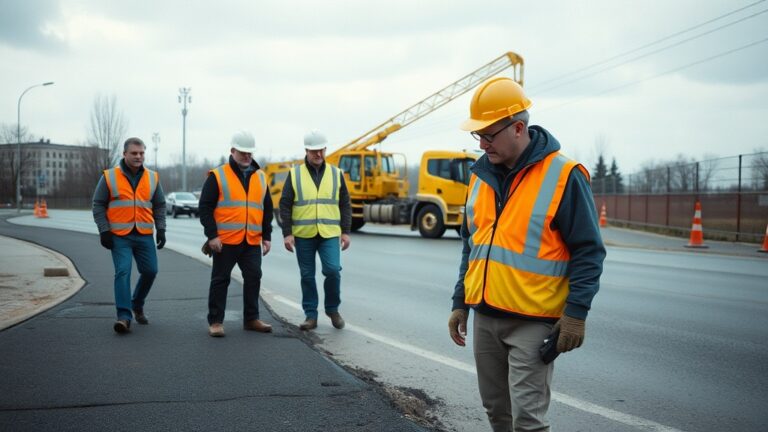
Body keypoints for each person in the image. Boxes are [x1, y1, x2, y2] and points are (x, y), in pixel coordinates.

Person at [448, 77, 606, 431]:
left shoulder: (564, 175)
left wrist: (576, 314)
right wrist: (460, 301)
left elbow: (588, 251)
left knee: (528, 421)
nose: (482, 143)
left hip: (532, 322)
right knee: (496, 413)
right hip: (486, 317)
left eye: (489, 134)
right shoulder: (480, 176)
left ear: (518, 128)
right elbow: (471, 245)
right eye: (478, 135)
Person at [199, 131, 273, 337]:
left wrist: (266, 236)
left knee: (254, 276)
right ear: (232, 151)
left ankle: (251, 319)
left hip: (251, 240)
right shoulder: (218, 175)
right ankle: (215, 321)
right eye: (243, 152)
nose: (247, 156)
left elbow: (267, 208)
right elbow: (205, 207)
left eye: (250, 153)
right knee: (220, 279)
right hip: (225, 241)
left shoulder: (260, 176)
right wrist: (212, 235)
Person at [92, 137, 167, 334]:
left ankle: (137, 304)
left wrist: (161, 229)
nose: (138, 156)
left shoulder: (152, 177)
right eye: (134, 153)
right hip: (119, 236)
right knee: (123, 272)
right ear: (124, 154)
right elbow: (98, 204)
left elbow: (159, 205)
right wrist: (104, 230)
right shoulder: (109, 177)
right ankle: (124, 317)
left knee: (150, 271)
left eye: (141, 153)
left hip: (144, 234)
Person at [279, 130, 352, 331]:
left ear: (325, 149)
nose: (318, 154)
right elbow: (285, 204)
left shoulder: (336, 174)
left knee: (333, 271)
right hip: (304, 234)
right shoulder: (295, 174)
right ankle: (311, 315)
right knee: (307, 276)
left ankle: (332, 309)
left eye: (321, 150)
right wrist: (287, 233)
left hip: (329, 233)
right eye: (314, 151)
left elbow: (345, 203)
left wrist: (345, 231)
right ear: (307, 151)